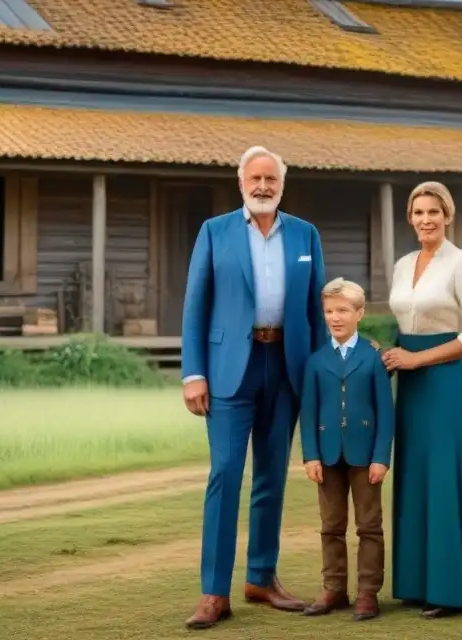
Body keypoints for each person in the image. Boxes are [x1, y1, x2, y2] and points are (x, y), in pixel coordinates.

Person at [181, 145, 328, 630]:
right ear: (240, 181)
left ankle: (261, 578)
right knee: (225, 474)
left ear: (282, 185)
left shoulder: (306, 234)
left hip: (286, 367)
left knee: (271, 478)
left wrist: (323, 373)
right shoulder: (215, 231)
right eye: (256, 178)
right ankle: (213, 592)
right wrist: (193, 373)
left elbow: (315, 311)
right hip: (228, 370)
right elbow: (195, 307)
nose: (263, 186)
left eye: (272, 180)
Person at [380, 180, 462, 619]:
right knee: (416, 477)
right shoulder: (402, 265)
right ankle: (418, 583)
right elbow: (404, 325)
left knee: (447, 478)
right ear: (410, 218)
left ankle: (455, 590)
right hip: (411, 386)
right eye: (418, 213)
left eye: (433, 212)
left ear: (447, 216)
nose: (425, 219)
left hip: (448, 382)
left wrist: (418, 359)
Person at [299, 277, 395, 622]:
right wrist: (310, 455)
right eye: (329, 311)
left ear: (360, 313)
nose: (335, 317)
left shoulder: (373, 358)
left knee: (369, 525)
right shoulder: (315, 361)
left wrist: (381, 457)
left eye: (342, 310)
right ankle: (334, 588)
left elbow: (386, 412)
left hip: (365, 455)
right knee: (331, 526)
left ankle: (368, 592)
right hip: (326, 455)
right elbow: (307, 413)